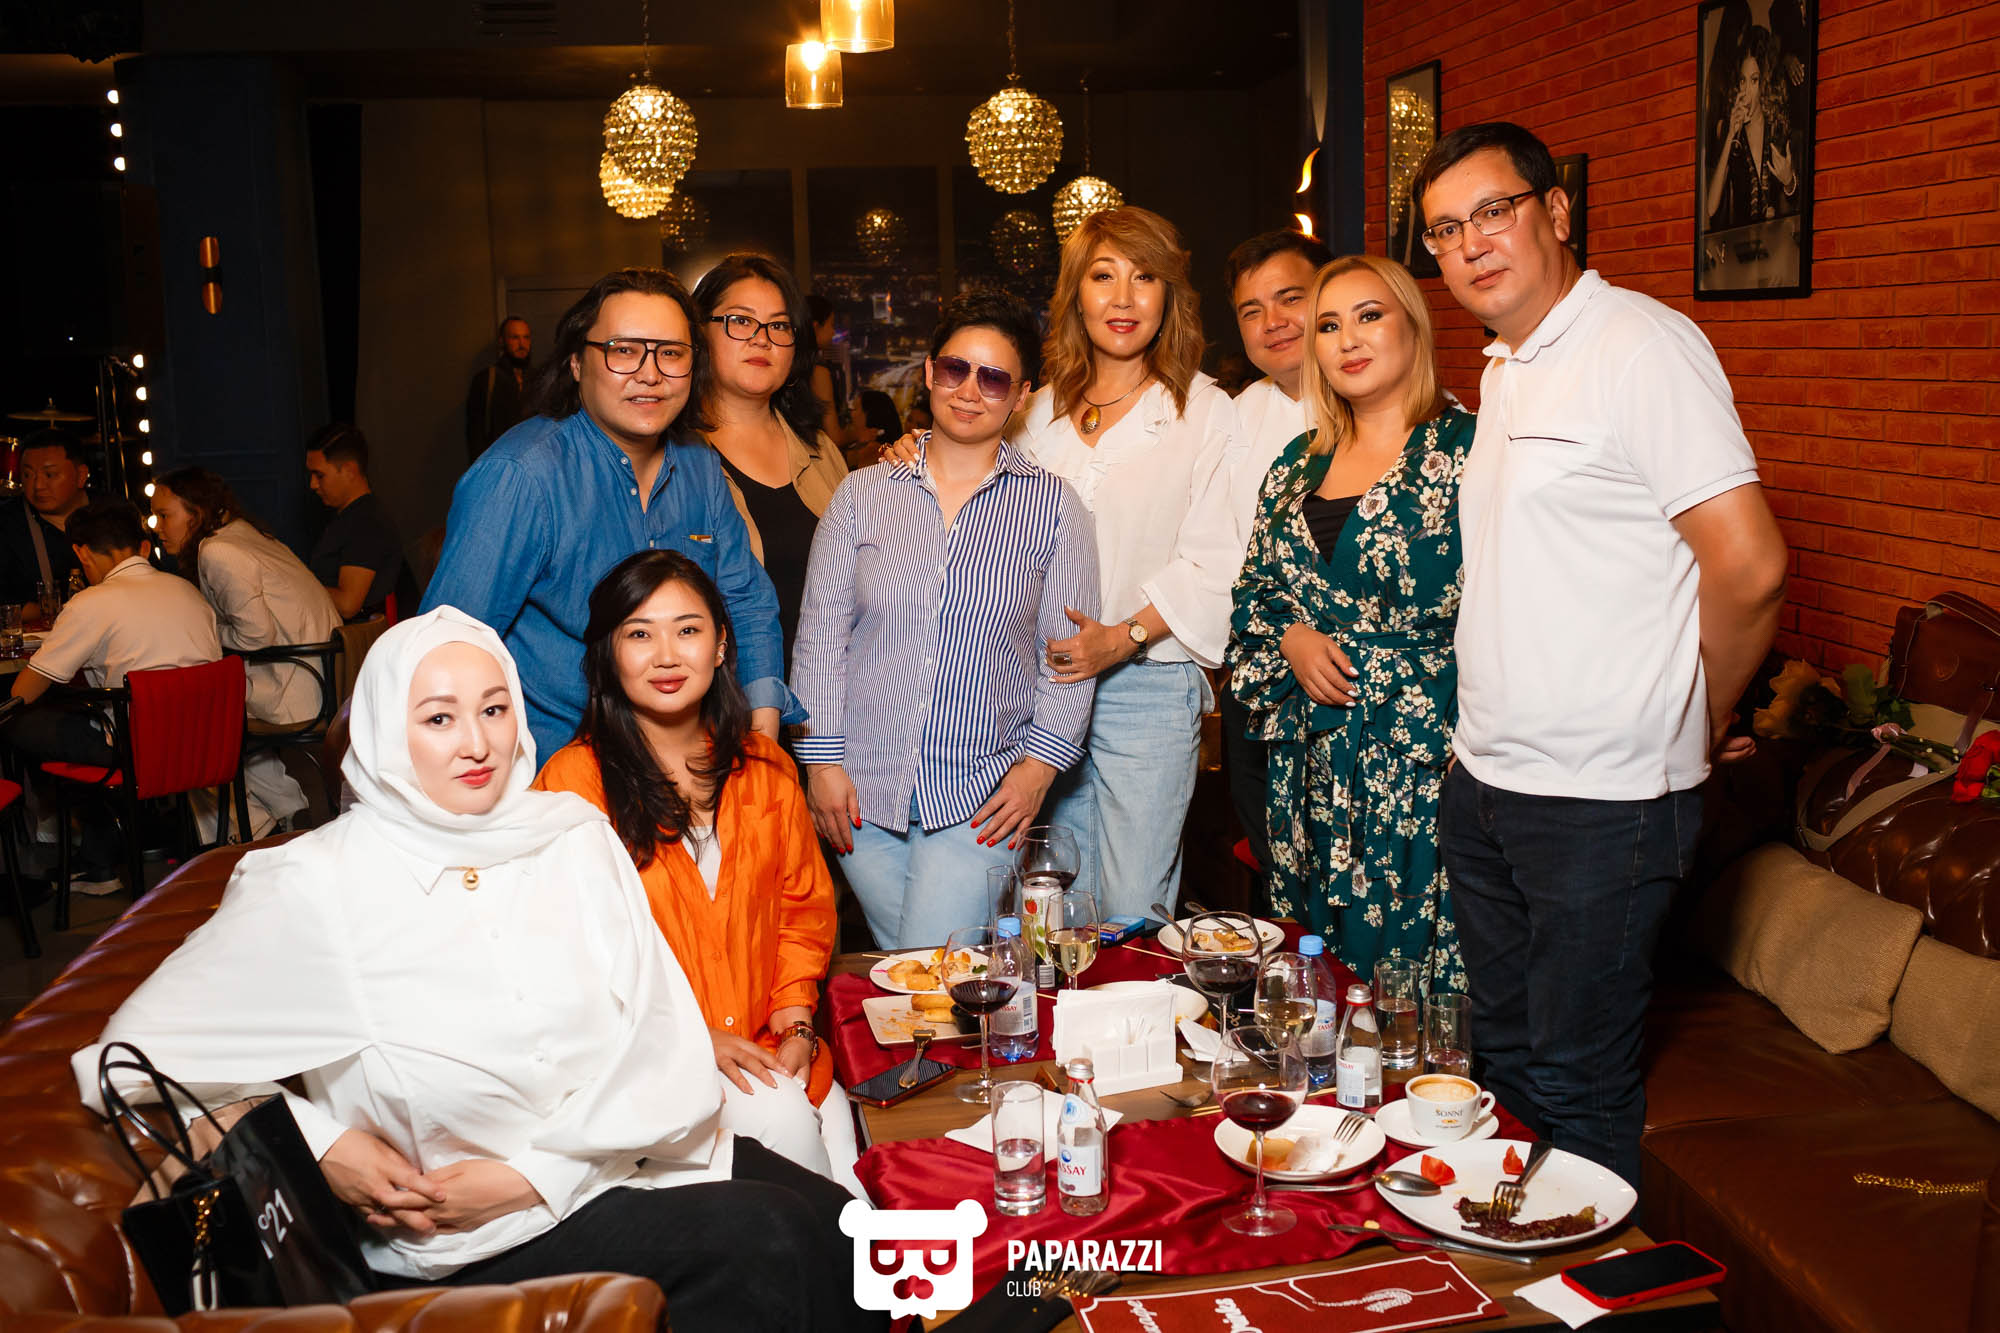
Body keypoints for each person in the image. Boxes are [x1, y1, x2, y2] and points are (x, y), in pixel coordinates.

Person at [71, 608, 875, 1333]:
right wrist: (322, 1143)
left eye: (494, 709)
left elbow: (657, 1034)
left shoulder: (570, 833)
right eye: (438, 717)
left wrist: (534, 1174)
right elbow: (128, 1060)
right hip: (467, 1236)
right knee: (771, 1240)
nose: (477, 743)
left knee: (845, 1231)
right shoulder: (318, 882)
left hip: (620, 1160)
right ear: (386, 731)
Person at [1415, 122, 1787, 1187]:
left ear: (1556, 211)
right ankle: (1507, 1261)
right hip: (1488, 781)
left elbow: (1750, 566)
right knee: (1504, 1066)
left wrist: (1699, 714)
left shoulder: (1638, 347)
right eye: (1445, 229)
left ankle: (1583, 1276)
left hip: (1600, 802)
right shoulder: (1508, 365)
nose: (1471, 244)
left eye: (1493, 212)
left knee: (1576, 1089)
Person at [537, 551, 860, 1194]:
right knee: (805, 1178)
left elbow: (801, 914)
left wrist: (797, 1023)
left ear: (720, 646)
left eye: (687, 630)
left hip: (771, 1048)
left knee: (858, 1185)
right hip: (648, 1068)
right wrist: (687, 1038)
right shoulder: (571, 785)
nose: (666, 655)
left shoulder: (765, 768)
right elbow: (564, 958)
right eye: (639, 633)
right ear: (608, 653)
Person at [792, 290, 1099, 950]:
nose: (968, 391)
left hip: (981, 796)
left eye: (994, 378)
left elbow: (1067, 657)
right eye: (956, 369)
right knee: (909, 981)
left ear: (1021, 396)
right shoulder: (862, 495)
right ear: (930, 371)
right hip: (860, 794)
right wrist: (820, 764)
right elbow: (820, 637)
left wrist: (1040, 767)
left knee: (934, 976)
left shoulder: (1052, 508)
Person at [424, 267, 797, 762]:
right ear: (577, 363)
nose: (650, 374)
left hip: (686, 768)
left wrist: (763, 732)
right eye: (623, 350)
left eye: (671, 353)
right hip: (553, 776)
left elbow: (745, 601)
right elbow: (445, 648)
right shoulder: (521, 477)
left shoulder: (699, 466)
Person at [1227, 254, 1474, 991]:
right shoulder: (1296, 463)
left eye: (1370, 316)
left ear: (1413, 326)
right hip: (1308, 761)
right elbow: (1253, 594)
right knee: (1312, 979)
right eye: (1329, 325)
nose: (1348, 339)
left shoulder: (1469, 449)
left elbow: (1522, 604)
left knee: (1417, 971)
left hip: (1423, 755)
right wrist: (1292, 638)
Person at [1020, 206, 1245, 924]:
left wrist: (1122, 638)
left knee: (1129, 911)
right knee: (1047, 902)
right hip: (1035, 688)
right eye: (1103, 276)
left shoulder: (1205, 411)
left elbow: (1218, 559)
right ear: (1075, 294)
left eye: (1144, 277)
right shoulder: (1033, 414)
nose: (1123, 298)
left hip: (1146, 684)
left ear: (1169, 294)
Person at [3, 499, 220, 893]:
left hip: (141, 749)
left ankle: (89, 857)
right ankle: (108, 847)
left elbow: (24, 691)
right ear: (141, 546)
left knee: (21, 725)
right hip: (208, 742)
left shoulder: (92, 601)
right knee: (92, 719)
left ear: (83, 553)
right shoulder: (187, 590)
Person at [1216, 228, 1333, 896]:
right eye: (1251, 310)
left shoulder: (1395, 406)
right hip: (1258, 685)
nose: (1273, 322)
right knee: (1275, 874)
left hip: (1361, 684)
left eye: (1291, 298)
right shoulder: (1231, 419)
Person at [152, 466, 343, 834]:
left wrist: (203, 629)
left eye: (164, 515)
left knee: (183, 721)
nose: (157, 527)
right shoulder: (245, 533)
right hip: (319, 676)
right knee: (200, 712)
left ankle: (249, 829)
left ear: (197, 513)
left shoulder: (218, 550)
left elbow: (256, 636)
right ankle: (282, 812)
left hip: (295, 685)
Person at [692, 255, 848, 668]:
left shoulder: (821, 451)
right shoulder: (673, 460)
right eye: (741, 321)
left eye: (779, 326)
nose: (762, 339)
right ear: (699, 332)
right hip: (723, 696)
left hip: (827, 692)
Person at [304, 423, 414, 621]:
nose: (313, 484)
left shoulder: (367, 523)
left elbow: (348, 604)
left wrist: (298, 582)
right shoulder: (350, 517)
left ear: (349, 470)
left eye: (319, 475)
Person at [1704, 26, 1799, 230]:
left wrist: (1789, 182)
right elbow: (1711, 208)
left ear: (1766, 83)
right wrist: (1730, 134)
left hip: (1777, 242)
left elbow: (1798, 204)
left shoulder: (1779, 128)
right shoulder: (1733, 133)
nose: (1746, 91)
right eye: (1743, 81)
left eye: (1754, 80)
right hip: (1741, 245)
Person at [0, 429, 92, 607]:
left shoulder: (113, 513)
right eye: (28, 475)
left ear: (81, 475)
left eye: (50, 475)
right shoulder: (7, 522)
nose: (38, 485)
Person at [807, 294, 880, 464]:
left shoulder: (791, 367)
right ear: (815, 327)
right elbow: (834, 437)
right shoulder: (818, 372)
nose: (833, 332)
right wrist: (859, 433)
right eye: (831, 325)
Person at [465, 315, 534, 463]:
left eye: (526, 337)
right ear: (502, 341)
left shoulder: (539, 379)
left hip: (533, 463)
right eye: (515, 337)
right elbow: (475, 432)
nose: (522, 344)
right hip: (498, 463)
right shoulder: (486, 380)